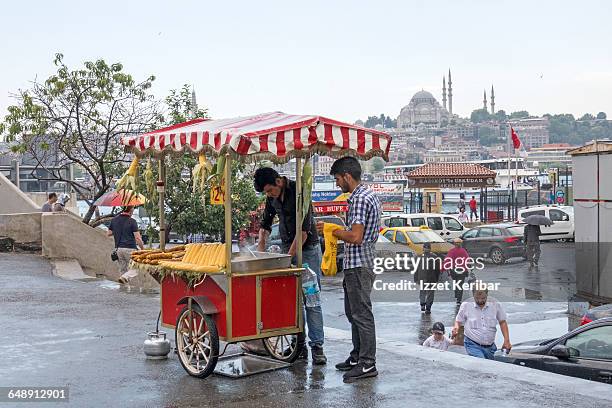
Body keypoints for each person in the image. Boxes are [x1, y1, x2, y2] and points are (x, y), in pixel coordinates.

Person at [316, 157, 381, 383]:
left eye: (337, 179)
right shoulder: (368, 194)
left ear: (347, 176)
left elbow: (355, 236)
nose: (336, 185)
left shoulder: (360, 199)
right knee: (354, 314)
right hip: (361, 263)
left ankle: (367, 363)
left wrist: (331, 230)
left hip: (359, 265)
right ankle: (357, 357)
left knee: (361, 315)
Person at [254, 167, 327, 365]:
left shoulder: (300, 192)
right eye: (266, 193)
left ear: (278, 182)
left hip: (308, 250)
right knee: (292, 301)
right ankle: (298, 344)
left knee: (311, 299)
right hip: (289, 246)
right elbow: (265, 225)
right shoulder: (272, 197)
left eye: (270, 191)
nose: (269, 195)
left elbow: (303, 233)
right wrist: (260, 253)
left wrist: (288, 257)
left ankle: (317, 347)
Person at [452, 287, 511, 359]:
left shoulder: (495, 304)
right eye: (477, 298)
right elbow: (458, 321)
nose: (480, 301)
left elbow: (502, 322)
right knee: (481, 363)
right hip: (472, 344)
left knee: (491, 366)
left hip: (490, 346)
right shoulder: (466, 305)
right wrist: (456, 328)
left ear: (487, 294)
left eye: (483, 298)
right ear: (473, 294)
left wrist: (506, 340)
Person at [107, 206, 144, 284]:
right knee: (136, 268)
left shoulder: (114, 220)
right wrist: (142, 248)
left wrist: (118, 230)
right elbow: (137, 238)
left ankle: (123, 290)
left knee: (123, 269)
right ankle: (125, 277)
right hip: (130, 248)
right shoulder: (132, 221)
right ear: (130, 211)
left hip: (118, 249)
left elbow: (109, 233)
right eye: (132, 212)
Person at [443, 238, 471, 305]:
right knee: (460, 285)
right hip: (462, 270)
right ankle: (459, 299)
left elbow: (447, 260)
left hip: (454, 270)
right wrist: (468, 268)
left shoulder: (451, 251)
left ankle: (456, 294)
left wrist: (445, 268)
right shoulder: (463, 251)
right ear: (461, 244)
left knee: (456, 282)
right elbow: (467, 260)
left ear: (454, 244)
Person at [415, 242, 440, 313]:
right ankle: (428, 308)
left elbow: (416, 269)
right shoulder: (435, 257)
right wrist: (437, 278)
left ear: (423, 248)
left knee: (422, 291)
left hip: (422, 277)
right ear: (430, 248)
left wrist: (416, 278)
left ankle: (422, 304)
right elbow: (437, 269)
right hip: (432, 277)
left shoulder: (418, 256)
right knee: (430, 293)